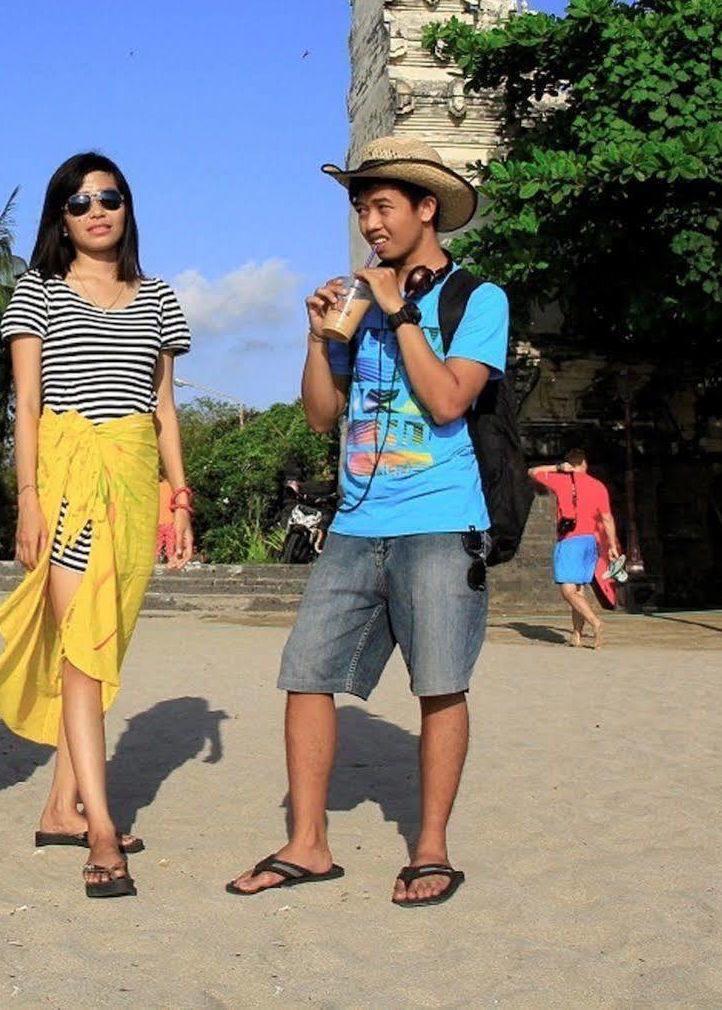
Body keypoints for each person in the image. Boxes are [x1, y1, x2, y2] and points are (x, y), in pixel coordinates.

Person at [227, 135, 508, 909]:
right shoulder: (355, 301)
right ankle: (307, 843)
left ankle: (430, 848)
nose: (369, 222)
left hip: (441, 520)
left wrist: (402, 313)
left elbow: (451, 400)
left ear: (426, 209)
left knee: (440, 684)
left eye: (381, 206)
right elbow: (323, 414)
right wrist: (320, 337)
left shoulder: (476, 299)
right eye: (360, 208)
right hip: (354, 523)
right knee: (304, 674)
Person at [0, 153, 195, 900]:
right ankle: (101, 828)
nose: (96, 209)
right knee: (83, 650)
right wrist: (28, 501)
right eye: (79, 201)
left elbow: (163, 407)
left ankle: (58, 807)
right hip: (69, 482)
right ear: (60, 217)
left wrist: (179, 495)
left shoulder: (160, 297)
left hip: (136, 484)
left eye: (109, 197)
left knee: (108, 642)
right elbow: (25, 403)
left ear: (127, 206)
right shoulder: (36, 293)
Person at [528, 449, 620, 648]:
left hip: (570, 540)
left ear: (569, 465)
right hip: (591, 542)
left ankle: (596, 622)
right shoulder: (598, 486)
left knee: (568, 591)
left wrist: (558, 468)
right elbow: (607, 518)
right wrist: (612, 545)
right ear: (584, 463)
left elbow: (532, 471)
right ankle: (576, 635)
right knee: (579, 590)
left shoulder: (561, 481)